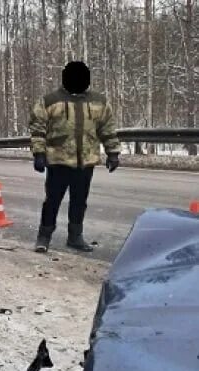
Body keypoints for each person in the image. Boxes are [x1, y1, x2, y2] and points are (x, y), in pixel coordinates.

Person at [29, 61, 120, 253]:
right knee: (52, 201)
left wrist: (113, 152)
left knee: (79, 202)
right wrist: (39, 153)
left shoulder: (99, 102)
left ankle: (75, 237)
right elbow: (38, 129)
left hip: (85, 163)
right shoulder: (50, 101)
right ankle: (44, 237)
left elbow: (107, 129)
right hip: (58, 162)